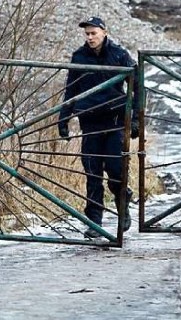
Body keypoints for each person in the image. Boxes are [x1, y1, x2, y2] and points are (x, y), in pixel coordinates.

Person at [57, 16, 139, 238]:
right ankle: (94, 224)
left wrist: (136, 120)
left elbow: (138, 85)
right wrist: (63, 119)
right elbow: (71, 90)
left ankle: (123, 204)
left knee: (115, 170)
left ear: (104, 32)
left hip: (114, 122)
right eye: (87, 34)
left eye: (94, 33)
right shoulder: (79, 56)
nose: (90, 37)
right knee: (92, 174)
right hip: (90, 122)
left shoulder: (119, 55)